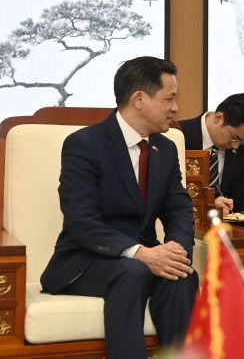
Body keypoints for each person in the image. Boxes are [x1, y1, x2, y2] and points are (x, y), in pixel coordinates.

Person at [40, 56, 198, 358]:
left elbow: (179, 208)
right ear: (139, 99)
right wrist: (140, 253)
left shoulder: (164, 149)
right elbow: (81, 221)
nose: (176, 108)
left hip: (142, 259)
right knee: (133, 271)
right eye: (169, 99)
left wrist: (176, 251)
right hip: (86, 260)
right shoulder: (84, 144)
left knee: (182, 274)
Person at [178, 93, 244, 214]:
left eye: (242, 141)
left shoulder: (242, 146)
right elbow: (166, 198)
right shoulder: (178, 135)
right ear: (218, 118)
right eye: (234, 138)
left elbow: (239, 200)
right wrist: (207, 207)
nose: (236, 146)